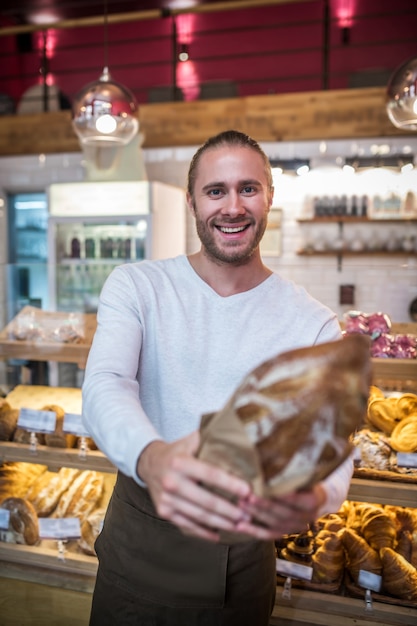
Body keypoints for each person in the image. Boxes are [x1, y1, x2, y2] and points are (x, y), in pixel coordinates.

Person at [82, 129, 354, 626]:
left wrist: (315, 496)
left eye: (248, 188)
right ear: (192, 202)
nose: (233, 207)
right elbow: (107, 383)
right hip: (141, 539)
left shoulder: (312, 322)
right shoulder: (140, 286)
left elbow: (330, 438)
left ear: (269, 196)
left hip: (245, 555)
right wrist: (153, 457)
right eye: (216, 191)